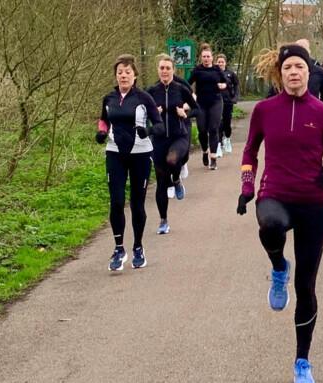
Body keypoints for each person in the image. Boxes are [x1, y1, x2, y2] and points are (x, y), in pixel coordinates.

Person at [238, 44, 323, 383]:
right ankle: (278, 266)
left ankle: (302, 361)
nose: (294, 72)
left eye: (299, 66)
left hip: (314, 203)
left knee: (307, 287)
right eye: (288, 68)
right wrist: (246, 185)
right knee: (269, 225)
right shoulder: (265, 110)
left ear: (309, 71)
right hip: (275, 194)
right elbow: (250, 150)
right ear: (280, 74)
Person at [96, 54, 163, 271]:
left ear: (135, 75)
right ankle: (118, 248)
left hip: (140, 155)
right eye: (120, 73)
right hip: (115, 152)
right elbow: (104, 119)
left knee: (136, 203)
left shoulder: (144, 98)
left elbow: (160, 125)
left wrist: (148, 131)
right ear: (116, 76)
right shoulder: (109, 98)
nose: (123, 76)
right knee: (116, 201)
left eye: (127, 72)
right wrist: (101, 132)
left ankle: (138, 247)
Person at [146, 54, 198, 234]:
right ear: (158, 70)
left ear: (173, 70)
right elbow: (141, 116)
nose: (165, 71)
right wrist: (153, 114)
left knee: (173, 159)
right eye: (162, 68)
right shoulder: (151, 92)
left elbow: (197, 110)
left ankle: (176, 180)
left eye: (168, 68)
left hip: (179, 136)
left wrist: (185, 113)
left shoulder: (181, 89)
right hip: (159, 140)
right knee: (161, 182)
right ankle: (163, 221)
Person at [189, 43, 228, 170]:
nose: (206, 59)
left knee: (213, 128)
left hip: (215, 102)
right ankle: (205, 151)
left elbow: (225, 81)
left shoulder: (217, 69)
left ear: (212, 58)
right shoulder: (197, 70)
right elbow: (186, 84)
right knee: (202, 130)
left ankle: (213, 158)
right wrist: (192, 94)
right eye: (204, 57)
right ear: (201, 58)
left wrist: (223, 85)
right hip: (201, 103)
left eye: (208, 56)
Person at [266, 39, 323, 105]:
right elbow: (273, 92)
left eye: (303, 49)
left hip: (311, 110)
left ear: (309, 51)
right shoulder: (284, 71)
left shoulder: (319, 71)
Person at [216, 53, 239, 156]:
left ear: (225, 63)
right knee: (218, 123)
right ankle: (218, 144)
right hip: (216, 102)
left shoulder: (231, 74)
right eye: (219, 62)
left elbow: (236, 85)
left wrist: (235, 98)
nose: (220, 63)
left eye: (222, 62)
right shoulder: (213, 73)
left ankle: (227, 138)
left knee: (226, 123)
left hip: (228, 102)